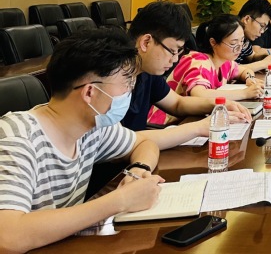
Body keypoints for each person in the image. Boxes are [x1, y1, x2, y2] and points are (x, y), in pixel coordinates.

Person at [0, 31, 164, 252]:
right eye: (126, 82)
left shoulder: (92, 127)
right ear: (89, 92)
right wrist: (120, 200)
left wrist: (139, 168)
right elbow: (7, 237)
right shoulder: (17, 139)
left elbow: (144, 144)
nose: (130, 91)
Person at [123, 2, 250, 140]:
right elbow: (122, 141)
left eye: (179, 51)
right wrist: (199, 128)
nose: (175, 59)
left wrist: (218, 104)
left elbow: (177, 104)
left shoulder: (147, 73)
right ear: (146, 42)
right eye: (172, 51)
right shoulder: (112, 79)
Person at [148, 14, 264, 125]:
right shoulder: (198, 61)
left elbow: (244, 71)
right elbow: (200, 94)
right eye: (234, 43)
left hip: (193, 120)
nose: (239, 48)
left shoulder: (225, 63)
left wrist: (250, 79)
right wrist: (244, 93)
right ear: (213, 42)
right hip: (167, 124)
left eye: (242, 41)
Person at [235, 0, 271, 71]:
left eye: (265, 28)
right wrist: (263, 63)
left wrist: (268, 57)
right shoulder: (229, 33)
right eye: (262, 26)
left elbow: (252, 57)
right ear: (247, 19)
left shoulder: (245, 39)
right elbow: (228, 70)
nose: (262, 31)